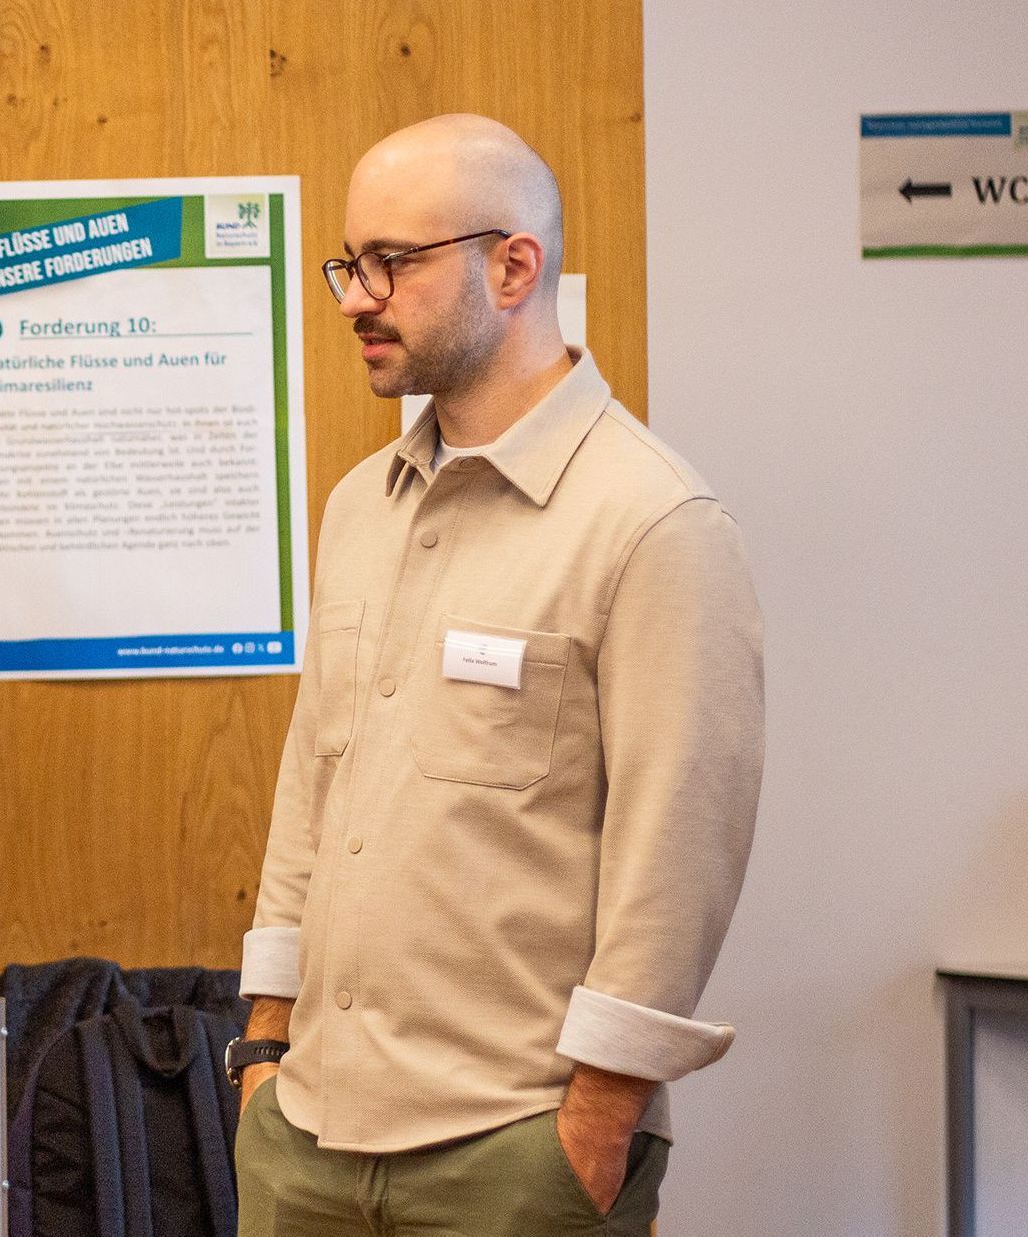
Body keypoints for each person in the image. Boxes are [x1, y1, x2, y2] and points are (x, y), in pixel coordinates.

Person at [228, 114, 765, 1236]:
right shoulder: (356, 507)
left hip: (513, 1153)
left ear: (513, 265)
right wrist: (265, 1047)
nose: (353, 297)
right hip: (307, 1139)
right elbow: (310, 790)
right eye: (348, 263)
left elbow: (679, 854)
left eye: (392, 262)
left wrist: (593, 1126)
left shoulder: (654, 521)